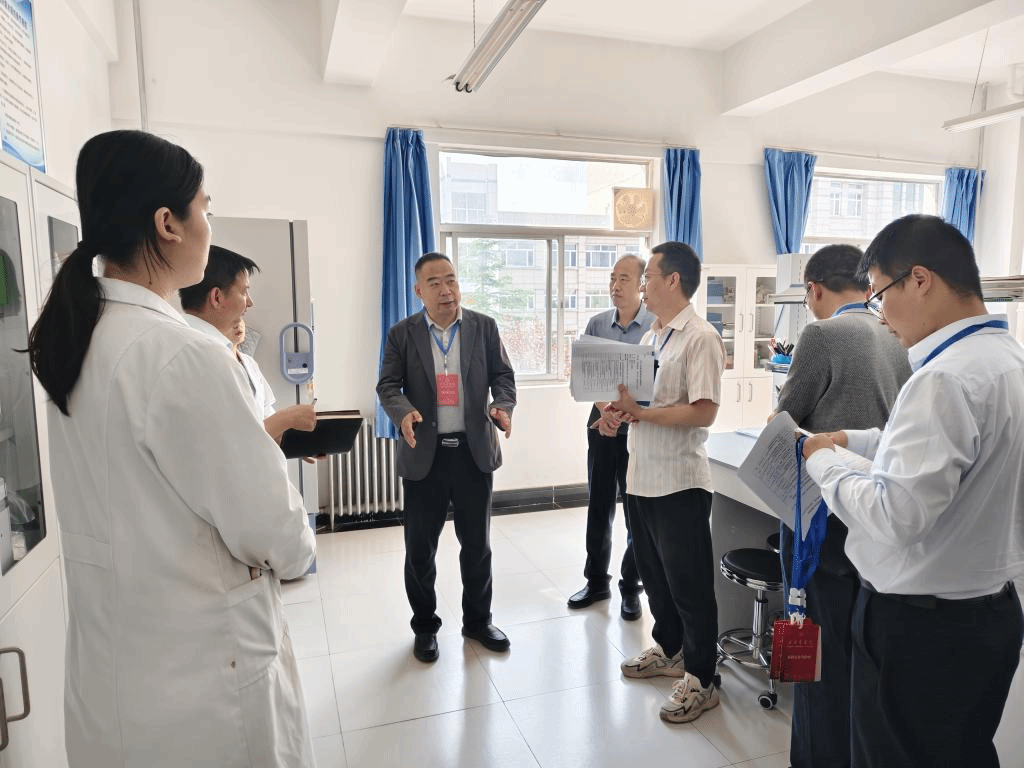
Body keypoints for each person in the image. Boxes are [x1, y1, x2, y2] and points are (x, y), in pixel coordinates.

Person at [26, 130, 317, 768]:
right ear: (168, 224)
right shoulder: (183, 355)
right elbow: (281, 537)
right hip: (204, 691)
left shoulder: (81, 338)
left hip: (118, 681)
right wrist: (293, 539)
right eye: (205, 209)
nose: (209, 225)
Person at [801, 214, 1024, 768]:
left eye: (879, 294)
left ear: (919, 280)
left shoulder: (942, 378)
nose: (880, 315)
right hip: (989, 617)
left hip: (918, 629)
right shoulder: (1005, 360)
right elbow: (940, 451)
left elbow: (894, 515)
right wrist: (852, 439)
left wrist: (823, 460)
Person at [770, 244, 911, 768]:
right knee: (862, 658)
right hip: (877, 517)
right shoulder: (897, 335)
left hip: (823, 520)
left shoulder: (821, 335)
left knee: (818, 656)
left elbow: (784, 422)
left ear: (813, 290)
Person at [602, 241, 725, 724]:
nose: (641, 287)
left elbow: (704, 411)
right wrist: (616, 415)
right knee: (655, 578)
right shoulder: (651, 338)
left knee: (689, 585)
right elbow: (638, 404)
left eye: (648, 277)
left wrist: (643, 413)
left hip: (680, 481)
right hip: (641, 478)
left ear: (673, 280)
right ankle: (670, 649)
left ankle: (703, 678)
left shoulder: (700, 337)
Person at [376, 252, 517, 663]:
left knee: (477, 546)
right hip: (426, 456)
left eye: (451, 279)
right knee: (420, 550)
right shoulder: (402, 333)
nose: (446, 290)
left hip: (473, 453)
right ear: (418, 291)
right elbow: (388, 386)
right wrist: (404, 413)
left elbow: (503, 377)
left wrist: (502, 405)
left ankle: (478, 622)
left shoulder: (483, 327)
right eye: (434, 283)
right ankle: (425, 627)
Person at [567, 254, 653, 620]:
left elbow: (657, 384)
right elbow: (583, 377)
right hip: (602, 426)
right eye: (612, 278)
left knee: (636, 513)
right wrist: (606, 411)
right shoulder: (597, 324)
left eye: (624, 279)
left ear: (641, 284)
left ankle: (631, 586)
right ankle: (596, 581)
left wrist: (627, 414)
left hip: (639, 429)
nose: (615, 286)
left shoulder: (654, 326)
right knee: (599, 506)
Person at [179, 244, 317, 442]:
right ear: (217, 297)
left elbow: (258, 424)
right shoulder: (195, 354)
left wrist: (301, 443)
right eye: (244, 292)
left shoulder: (226, 354)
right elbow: (227, 441)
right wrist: (287, 418)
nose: (250, 302)